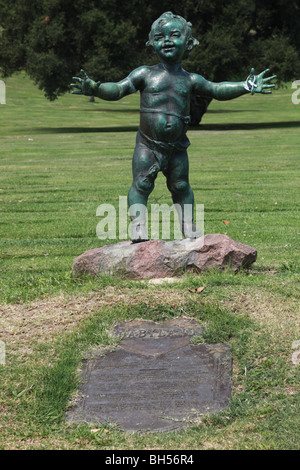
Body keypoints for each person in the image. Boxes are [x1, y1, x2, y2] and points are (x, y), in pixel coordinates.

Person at [71, 11, 276, 242]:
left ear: (188, 43)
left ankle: (188, 226)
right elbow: (119, 89)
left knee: (181, 186)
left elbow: (217, 90)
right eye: (159, 37)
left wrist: (245, 85)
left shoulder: (190, 80)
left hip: (177, 147)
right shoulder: (145, 74)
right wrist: (97, 88)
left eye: (174, 35)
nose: (166, 41)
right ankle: (138, 226)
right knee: (141, 184)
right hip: (147, 145)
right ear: (151, 44)